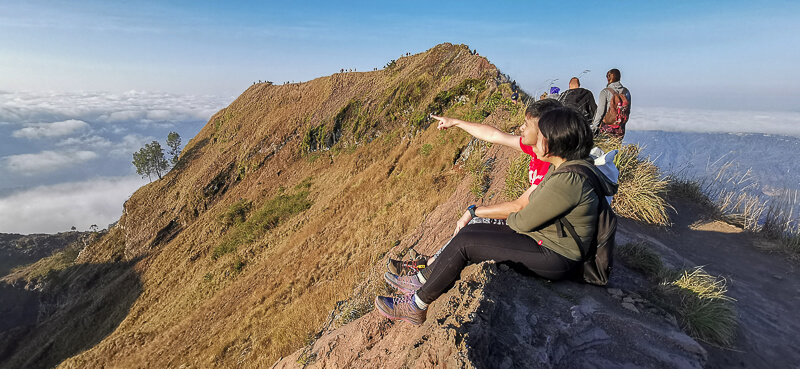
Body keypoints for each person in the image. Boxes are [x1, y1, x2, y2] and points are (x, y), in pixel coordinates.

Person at [374, 107, 618, 325]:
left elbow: (523, 218)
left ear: (553, 141)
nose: (536, 140)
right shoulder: (566, 168)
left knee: (468, 243)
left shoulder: (568, 180)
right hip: (547, 242)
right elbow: (528, 210)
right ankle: (425, 280)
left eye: (541, 134)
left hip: (557, 257)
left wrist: (502, 223)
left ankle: (416, 305)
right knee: (471, 233)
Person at [384, 99, 562, 276]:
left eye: (526, 124)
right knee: (475, 223)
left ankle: (427, 270)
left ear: (542, 133)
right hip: (531, 224)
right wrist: (456, 122)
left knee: (475, 222)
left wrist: (473, 211)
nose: (521, 128)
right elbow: (494, 135)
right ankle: (428, 265)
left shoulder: (551, 164)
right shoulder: (537, 150)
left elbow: (520, 207)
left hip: (542, 239)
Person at [591, 69, 631, 137]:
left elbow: (600, 111)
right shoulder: (626, 92)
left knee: (604, 147)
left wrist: (595, 127)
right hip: (620, 128)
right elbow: (628, 111)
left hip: (606, 127)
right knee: (616, 147)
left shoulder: (605, 92)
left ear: (608, 78)